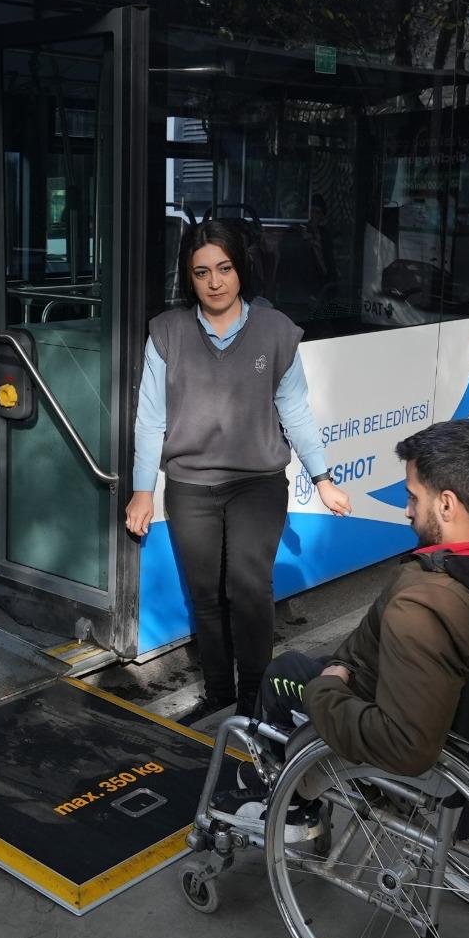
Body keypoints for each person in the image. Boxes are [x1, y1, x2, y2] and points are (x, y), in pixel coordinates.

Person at [245, 419, 469, 780]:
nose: (408, 510)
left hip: (381, 706)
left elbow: (405, 746)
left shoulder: (424, 605)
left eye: (413, 497)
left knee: (283, 672)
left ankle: (289, 800)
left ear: (446, 505)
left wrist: (327, 688)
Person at [125, 219, 353, 719]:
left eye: (224, 268)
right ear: (189, 278)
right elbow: (150, 418)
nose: (215, 282)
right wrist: (143, 490)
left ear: (240, 270)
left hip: (257, 484)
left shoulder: (274, 330)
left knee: (249, 588)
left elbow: (294, 410)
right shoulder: (167, 332)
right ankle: (219, 692)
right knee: (205, 595)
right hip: (190, 485)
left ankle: (252, 699)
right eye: (202, 272)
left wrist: (322, 478)